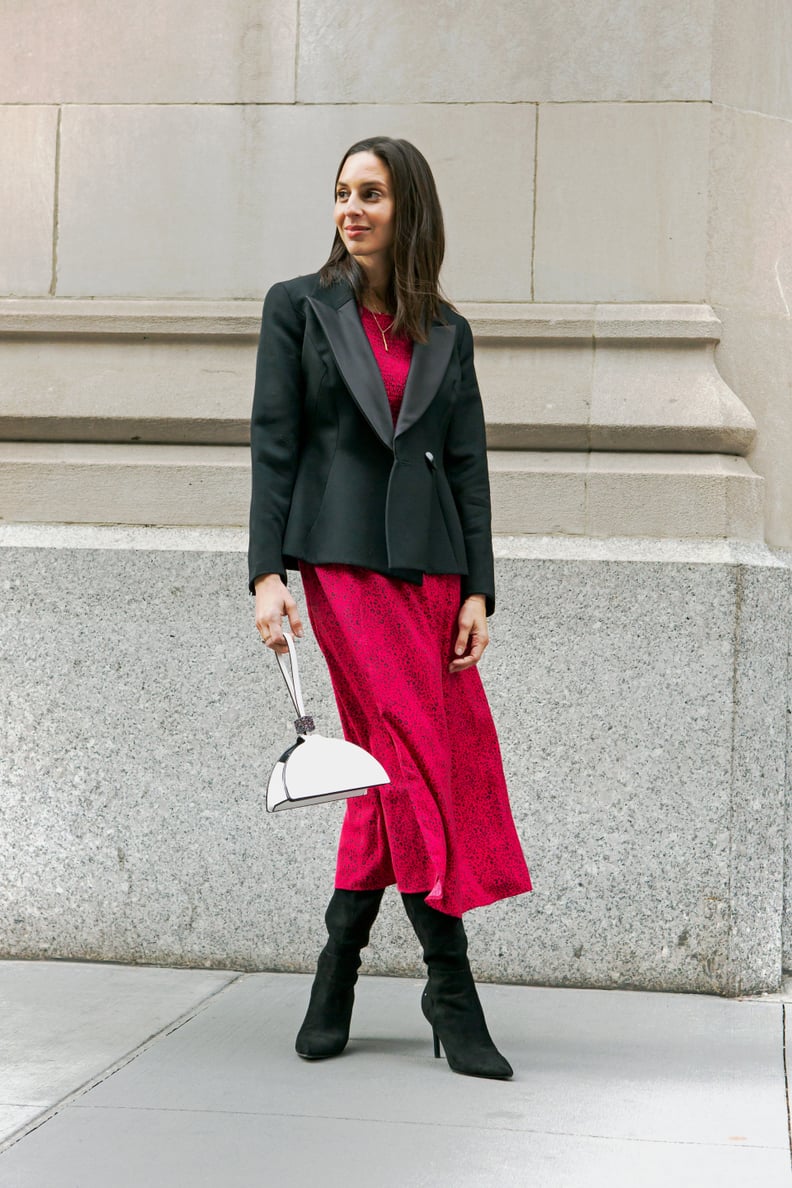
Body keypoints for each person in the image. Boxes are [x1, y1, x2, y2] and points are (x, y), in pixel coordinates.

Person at [248, 136, 532, 1080]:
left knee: (389, 768)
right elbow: (275, 444)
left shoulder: (447, 327)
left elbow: (469, 465)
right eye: (341, 193)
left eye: (370, 193)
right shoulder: (299, 305)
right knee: (411, 759)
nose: (351, 208)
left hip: (432, 569)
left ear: (407, 206)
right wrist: (265, 573)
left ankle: (338, 969)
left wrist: (481, 588)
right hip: (338, 562)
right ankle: (453, 990)